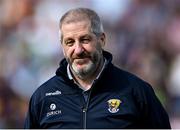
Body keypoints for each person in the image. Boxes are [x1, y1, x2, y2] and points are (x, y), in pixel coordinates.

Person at [24, 7, 171, 129]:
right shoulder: (43, 97)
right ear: (62, 47)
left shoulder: (136, 92)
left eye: (85, 39)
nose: (78, 49)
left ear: (102, 40)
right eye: (70, 42)